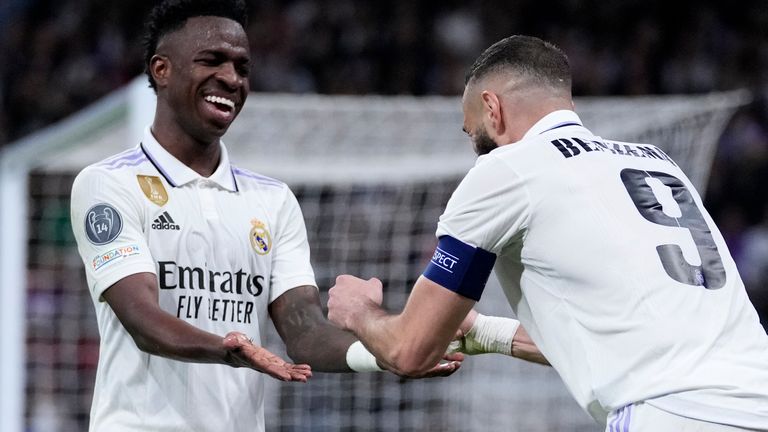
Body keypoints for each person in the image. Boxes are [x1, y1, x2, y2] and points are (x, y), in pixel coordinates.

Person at [328, 35, 768, 431]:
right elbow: (620, 334)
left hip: (674, 415)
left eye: (471, 132)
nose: (474, 149)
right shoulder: (657, 162)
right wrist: (489, 332)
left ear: (492, 108)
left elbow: (410, 352)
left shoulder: (507, 168)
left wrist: (357, 312)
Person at [69, 1, 465, 431]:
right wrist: (229, 348)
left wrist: (388, 351)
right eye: (212, 60)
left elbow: (305, 331)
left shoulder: (272, 199)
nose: (231, 78)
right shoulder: (108, 184)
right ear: (161, 70)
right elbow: (143, 319)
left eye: (242, 67)